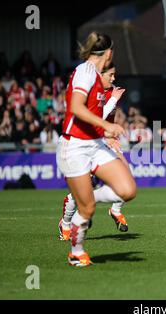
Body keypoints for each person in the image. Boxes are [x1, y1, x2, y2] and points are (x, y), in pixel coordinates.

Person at [56, 31, 136, 267]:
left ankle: (86, 201)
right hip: (74, 146)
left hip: (95, 143)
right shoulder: (86, 71)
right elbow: (76, 108)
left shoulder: (99, 78)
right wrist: (106, 126)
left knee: (127, 190)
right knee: (87, 208)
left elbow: (93, 112)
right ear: (109, 53)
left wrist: (105, 132)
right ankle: (76, 252)